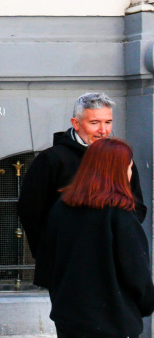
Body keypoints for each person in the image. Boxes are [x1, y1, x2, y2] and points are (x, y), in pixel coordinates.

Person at [18, 92, 146, 288]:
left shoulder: (121, 158)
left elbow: (137, 207)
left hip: (112, 266)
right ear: (76, 123)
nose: (103, 130)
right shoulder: (51, 159)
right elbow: (31, 212)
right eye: (95, 123)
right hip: (66, 266)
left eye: (108, 122)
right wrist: (51, 253)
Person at [41, 138, 154, 338]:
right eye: (129, 167)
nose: (131, 173)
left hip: (69, 318)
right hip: (113, 321)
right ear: (119, 171)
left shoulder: (61, 208)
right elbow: (136, 271)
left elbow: (50, 259)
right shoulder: (120, 214)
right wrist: (146, 304)